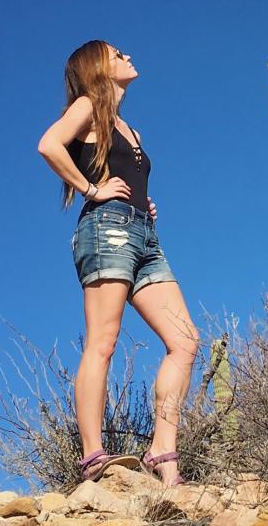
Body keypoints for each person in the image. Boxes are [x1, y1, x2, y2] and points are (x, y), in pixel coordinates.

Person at [38, 41, 199, 485]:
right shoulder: (89, 106)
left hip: (144, 235)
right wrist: (92, 191)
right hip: (106, 228)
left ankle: (163, 453)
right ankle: (94, 457)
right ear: (97, 67)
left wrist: (145, 203)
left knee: (185, 341)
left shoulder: (131, 130)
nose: (127, 55)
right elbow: (49, 144)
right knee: (103, 342)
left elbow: (124, 173)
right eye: (116, 53)